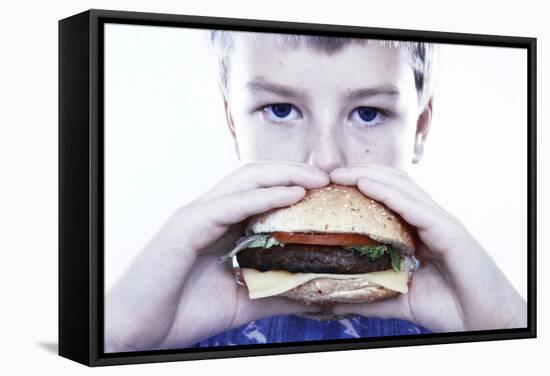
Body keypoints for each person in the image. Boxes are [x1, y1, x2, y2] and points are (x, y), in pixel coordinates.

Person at [104, 31, 527, 352]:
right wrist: (118, 336)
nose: (325, 160)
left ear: (419, 128)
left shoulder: (466, 323)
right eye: (280, 110)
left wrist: (509, 330)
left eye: (368, 112)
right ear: (234, 124)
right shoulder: (173, 321)